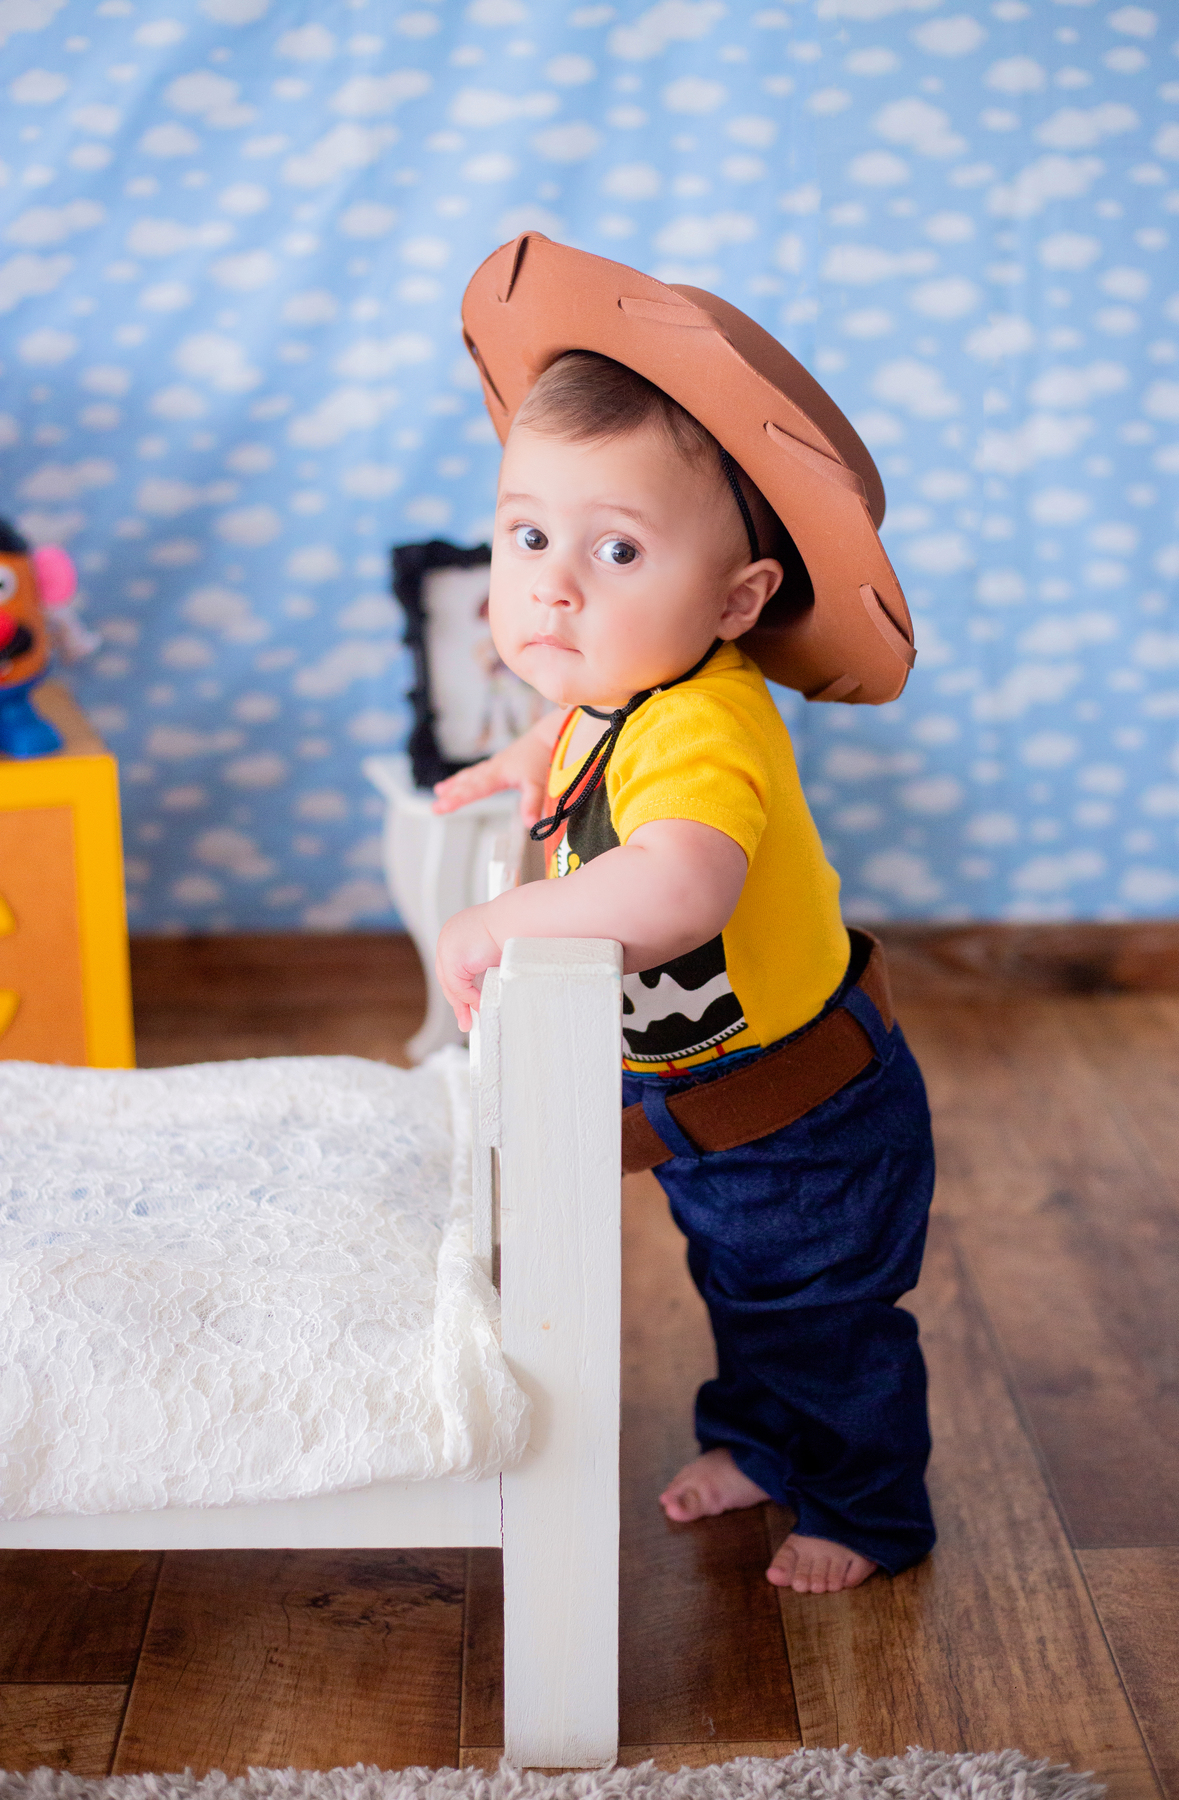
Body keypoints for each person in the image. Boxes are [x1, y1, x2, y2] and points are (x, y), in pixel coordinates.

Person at [430, 240, 935, 1595]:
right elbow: (589, 732)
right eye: (529, 535)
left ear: (736, 600)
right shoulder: (622, 685)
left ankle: (868, 1512)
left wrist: (500, 926)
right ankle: (762, 1448)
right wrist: (526, 759)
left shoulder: (706, 723)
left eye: (617, 549)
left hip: (804, 1112)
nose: (555, 585)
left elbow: (678, 885)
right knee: (743, 1290)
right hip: (711, 1100)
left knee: (820, 1316)